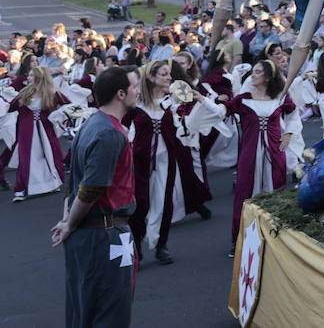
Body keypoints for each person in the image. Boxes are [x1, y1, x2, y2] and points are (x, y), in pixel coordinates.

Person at [51, 65, 140, 328]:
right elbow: (90, 188)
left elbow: (74, 181)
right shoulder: (110, 133)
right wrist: (69, 222)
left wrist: (68, 220)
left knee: (85, 307)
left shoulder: (92, 123)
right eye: (134, 87)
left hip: (94, 235)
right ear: (121, 94)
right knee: (110, 310)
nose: (138, 91)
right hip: (105, 235)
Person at [124, 60, 219, 264]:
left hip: (167, 158)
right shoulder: (137, 103)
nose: (168, 77)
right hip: (140, 161)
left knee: (165, 201)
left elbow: (189, 121)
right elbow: (122, 126)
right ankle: (137, 246)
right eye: (164, 74)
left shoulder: (172, 101)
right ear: (151, 77)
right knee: (140, 202)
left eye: (168, 74)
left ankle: (161, 245)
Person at [224, 59, 298, 244]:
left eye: (257, 72)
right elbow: (221, 112)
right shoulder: (244, 98)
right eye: (253, 71)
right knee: (246, 191)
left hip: (274, 151)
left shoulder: (280, 97)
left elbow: (292, 113)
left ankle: (276, 236)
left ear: (267, 77)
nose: (252, 75)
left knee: (276, 189)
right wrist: (203, 101)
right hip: (250, 153)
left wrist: (288, 133)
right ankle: (240, 238)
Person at [7, 65, 68, 201]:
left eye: (31, 76)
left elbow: (67, 106)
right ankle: (21, 190)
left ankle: (53, 183)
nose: (27, 78)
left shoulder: (51, 93)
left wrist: (58, 116)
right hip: (27, 132)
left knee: (49, 156)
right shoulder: (24, 93)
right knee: (26, 159)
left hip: (46, 129)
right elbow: (10, 108)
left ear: (39, 78)